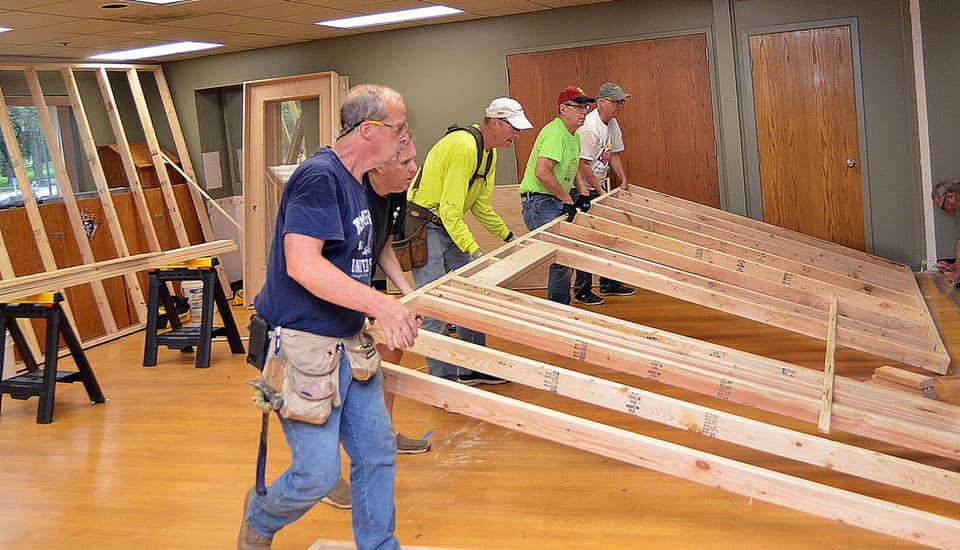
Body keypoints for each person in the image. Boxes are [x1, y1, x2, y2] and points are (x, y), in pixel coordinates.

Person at [239, 84, 419, 550]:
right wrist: (381, 304)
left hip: (348, 344)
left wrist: (390, 300)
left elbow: (360, 256)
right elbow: (302, 264)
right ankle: (260, 517)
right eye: (398, 130)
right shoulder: (320, 177)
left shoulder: (358, 183)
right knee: (316, 476)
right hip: (302, 348)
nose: (403, 141)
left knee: (377, 455)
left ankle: (380, 545)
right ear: (368, 130)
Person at [321, 139, 431, 512]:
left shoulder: (395, 193)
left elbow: (380, 244)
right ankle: (325, 474)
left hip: (361, 291)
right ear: (379, 165)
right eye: (405, 161)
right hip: (330, 298)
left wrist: (406, 293)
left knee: (395, 346)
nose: (413, 168)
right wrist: (372, 303)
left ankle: (384, 432)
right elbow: (330, 259)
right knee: (333, 383)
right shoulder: (352, 192)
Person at [408, 97, 533, 384]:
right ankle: (443, 379)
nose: (517, 135)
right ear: (497, 123)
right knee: (435, 304)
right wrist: (476, 252)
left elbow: (481, 206)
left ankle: (475, 365)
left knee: (471, 293)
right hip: (425, 227)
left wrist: (509, 237)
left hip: (446, 225)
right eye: (513, 129)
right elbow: (451, 210)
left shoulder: (488, 153)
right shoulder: (465, 147)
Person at [518, 85, 595, 305]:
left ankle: (563, 303)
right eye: (579, 107)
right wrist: (567, 199)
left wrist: (582, 191)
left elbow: (574, 164)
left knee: (568, 252)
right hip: (540, 201)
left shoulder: (573, 135)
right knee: (561, 255)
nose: (584, 112)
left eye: (586, 107)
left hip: (554, 198)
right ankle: (558, 307)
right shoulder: (556, 132)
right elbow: (542, 172)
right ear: (563, 108)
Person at [571, 82, 637, 305]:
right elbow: (582, 164)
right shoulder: (590, 127)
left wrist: (623, 178)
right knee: (587, 239)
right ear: (601, 103)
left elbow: (615, 154)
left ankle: (609, 282)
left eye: (622, 102)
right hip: (582, 189)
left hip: (599, 186)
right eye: (616, 102)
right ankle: (582, 290)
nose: (620, 106)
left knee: (608, 234)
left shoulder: (612, 123)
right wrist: (597, 192)